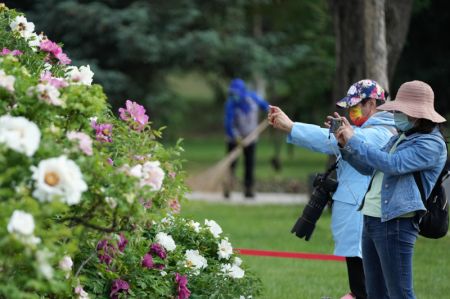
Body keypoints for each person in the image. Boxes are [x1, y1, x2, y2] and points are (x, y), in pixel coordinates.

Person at [268, 79, 396, 299]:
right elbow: (332, 140)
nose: (351, 111)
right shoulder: (363, 130)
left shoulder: (381, 133)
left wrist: (291, 126)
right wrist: (293, 127)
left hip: (364, 219)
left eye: (355, 105)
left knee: (364, 289)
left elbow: (341, 140)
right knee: (361, 287)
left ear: (373, 104)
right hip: (358, 218)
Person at [333, 80, 447, 299]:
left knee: (400, 293)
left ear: (417, 114)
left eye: (400, 110)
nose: (395, 114)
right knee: (374, 293)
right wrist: (344, 145)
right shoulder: (400, 137)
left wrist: (354, 139)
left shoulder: (431, 144)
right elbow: (368, 167)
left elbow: (392, 164)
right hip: (373, 217)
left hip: (397, 221)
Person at [224, 78, 269, 198]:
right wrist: (236, 137)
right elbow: (228, 124)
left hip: (251, 137)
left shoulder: (253, 98)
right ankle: (228, 187)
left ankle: (248, 189)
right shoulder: (231, 104)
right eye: (232, 93)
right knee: (232, 164)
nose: (234, 95)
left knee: (249, 164)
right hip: (234, 139)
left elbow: (265, 106)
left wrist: (271, 112)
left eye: (236, 93)